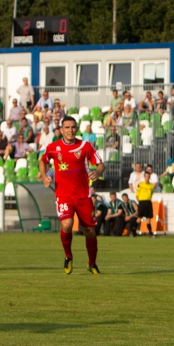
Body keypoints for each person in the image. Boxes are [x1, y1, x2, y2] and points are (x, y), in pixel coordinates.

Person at [39, 116, 105, 275]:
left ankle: (92, 263)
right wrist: (44, 175)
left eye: (73, 127)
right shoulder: (53, 147)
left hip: (83, 195)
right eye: (67, 127)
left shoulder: (85, 146)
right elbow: (43, 161)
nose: (70, 130)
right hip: (63, 195)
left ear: (76, 129)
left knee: (89, 231)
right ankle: (68, 256)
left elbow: (101, 164)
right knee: (67, 224)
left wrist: (97, 171)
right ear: (61, 130)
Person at [135, 164, 159, 237]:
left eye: (148, 176)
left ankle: (150, 233)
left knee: (148, 218)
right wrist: (140, 202)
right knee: (140, 218)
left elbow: (151, 193)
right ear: (144, 176)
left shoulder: (151, 186)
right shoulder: (140, 184)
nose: (147, 177)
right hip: (142, 202)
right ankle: (133, 230)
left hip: (148, 202)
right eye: (146, 176)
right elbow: (137, 195)